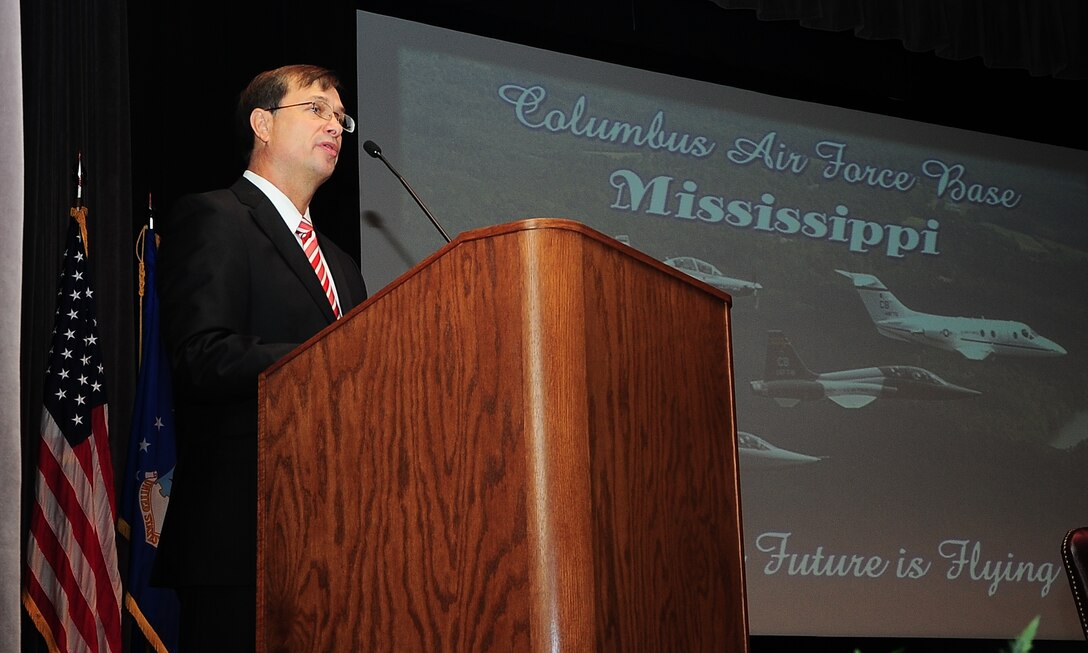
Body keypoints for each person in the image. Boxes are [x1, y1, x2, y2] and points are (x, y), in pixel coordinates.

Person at [155, 64, 368, 650]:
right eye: (317, 110)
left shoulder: (343, 265)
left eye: (341, 117)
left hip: (336, 544)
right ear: (262, 124)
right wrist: (332, 356)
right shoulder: (216, 218)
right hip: (242, 538)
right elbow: (202, 355)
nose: (336, 126)